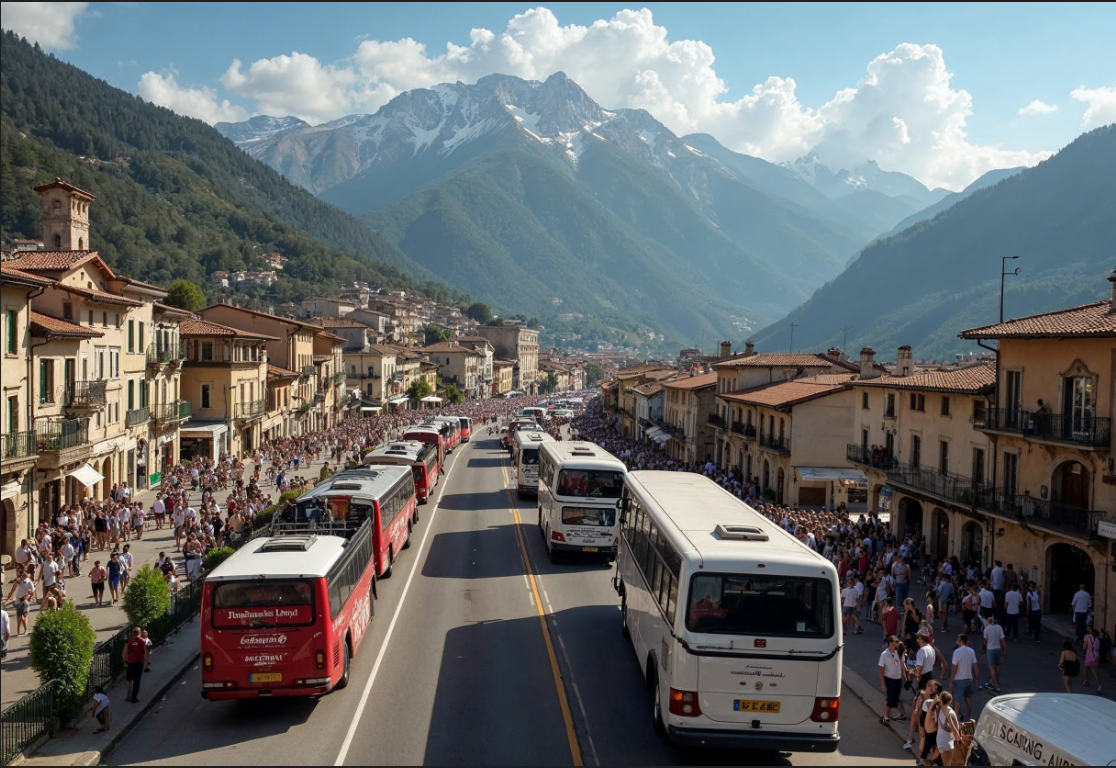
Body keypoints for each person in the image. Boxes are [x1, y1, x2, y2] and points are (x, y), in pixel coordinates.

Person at [949, 634, 979, 721]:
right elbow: (976, 666)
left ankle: (955, 722)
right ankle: (968, 718)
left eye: (957, 639)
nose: (956, 640)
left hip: (959, 680)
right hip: (969, 679)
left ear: (960, 640)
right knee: (968, 699)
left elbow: (954, 668)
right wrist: (976, 679)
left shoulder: (956, 652)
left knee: (957, 701)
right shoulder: (971, 651)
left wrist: (951, 681)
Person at [879, 634, 906, 725]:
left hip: (898, 679)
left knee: (895, 698)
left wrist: (904, 674)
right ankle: (886, 717)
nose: (894, 646)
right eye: (892, 644)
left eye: (895, 644)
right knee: (890, 698)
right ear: (889, 644)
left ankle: (892, 714)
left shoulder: (899, 652)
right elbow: (881, 669)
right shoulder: (884, 654)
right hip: (889, 679)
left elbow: (902, 663)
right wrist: (883, 682)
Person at [932, 691, 963, 766]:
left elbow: (935, 721)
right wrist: (958, 739)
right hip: (948, 740)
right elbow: (956, 727)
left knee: (944, 763)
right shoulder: (951, 712)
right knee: (948, 764)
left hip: (939, 740)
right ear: (950, 701)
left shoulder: (937, 710)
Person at [981, 615, 1007, 693]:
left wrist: (984, 647)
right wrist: (1004, 651)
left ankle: (995, 685)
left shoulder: (986, 629)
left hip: (990, 649)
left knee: (992, 668)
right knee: (998, 667)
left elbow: (985, 641)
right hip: (998, 649)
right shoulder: (999, 628)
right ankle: (996, 681)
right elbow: (1003, 641)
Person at [122, 626, 146, 703]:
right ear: (140, 633)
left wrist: (125, 661)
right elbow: (145, 653)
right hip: (138, 663)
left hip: (130, 663)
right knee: (136, 681)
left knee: (128, 679)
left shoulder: (128, 641)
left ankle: (128, 694)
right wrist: (146, 664)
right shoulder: (142, 641)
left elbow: (124, 653)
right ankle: (134, 697)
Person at [1083, 625, 1103, 693]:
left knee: (1094, 670)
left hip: (1089, 656)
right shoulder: (1097, 639)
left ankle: (1099, 685)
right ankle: (1086, 681)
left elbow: (1084, 647)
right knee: (1086, 667)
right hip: (1096, 656)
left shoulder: (1087, 637)